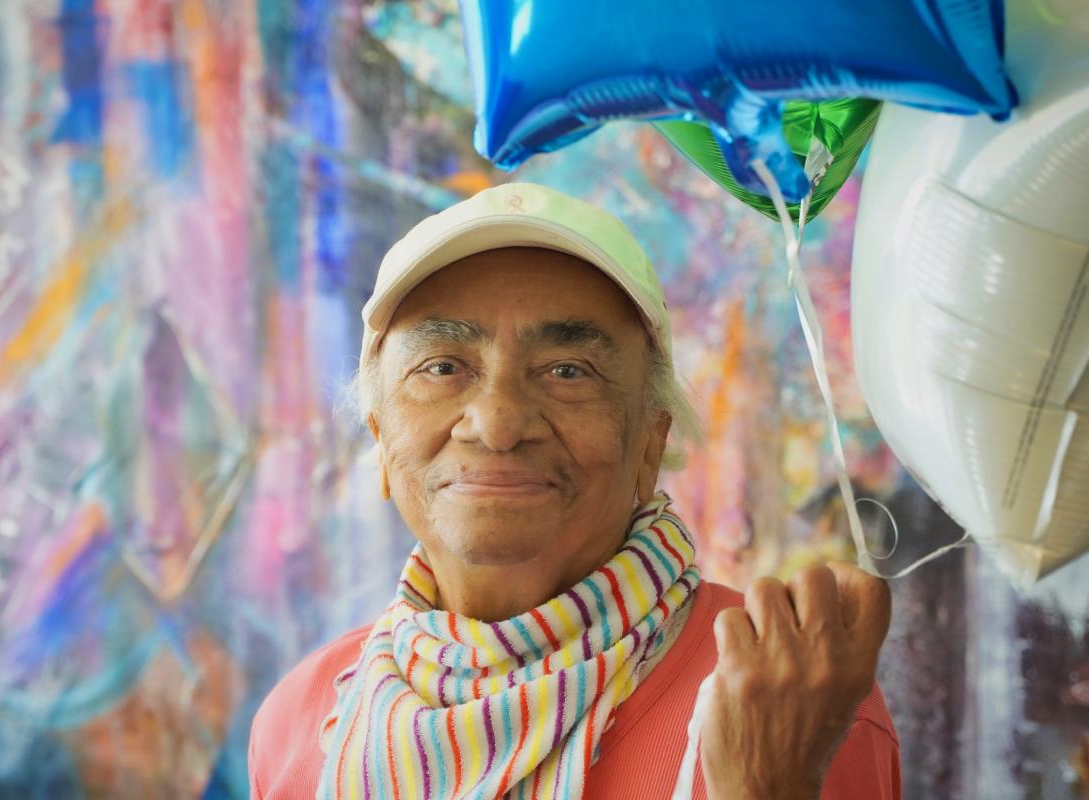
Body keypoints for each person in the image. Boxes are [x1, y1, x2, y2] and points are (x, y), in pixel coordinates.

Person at [248, 182, 901, 799]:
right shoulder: (300, 721)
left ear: (650, 441)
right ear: (381, 440)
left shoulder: (784, 694)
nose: (497, 422)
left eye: (567, 370)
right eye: (442, 367)